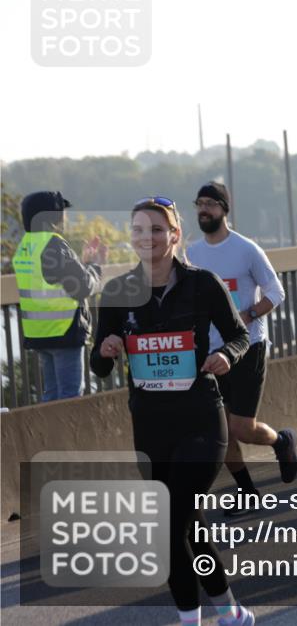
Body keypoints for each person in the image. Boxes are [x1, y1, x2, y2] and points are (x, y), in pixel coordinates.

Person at [90, 197, 254, 626]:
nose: (147, 238)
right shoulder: (117, 292)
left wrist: (228, 356)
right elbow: (99, 364)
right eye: (138, 230)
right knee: (189, 526)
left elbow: (239, 336)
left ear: (175, 235)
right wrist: (106, 349)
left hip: (201, 418)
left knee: (167, 524)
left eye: (157, 229)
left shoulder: (203, 284)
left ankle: (190, 619)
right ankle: (231, 612)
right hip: (151, 426)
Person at [185, 181, 297, 516]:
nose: (203, 209)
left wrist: (246, 315)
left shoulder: (246, 249)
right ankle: (247, 492)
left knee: (241, 428)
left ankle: (282, 442)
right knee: (219, 429)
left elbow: (275, 292)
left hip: (248, 346)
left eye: (210, 203)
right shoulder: (192, 254)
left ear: (224, 209)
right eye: (199, 203)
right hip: (210, 352)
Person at [13, 191, 104, 402]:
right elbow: (82, 287)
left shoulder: (26, 245)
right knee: (70, 398)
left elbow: (54, 278)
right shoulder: (54, 244)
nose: (64, 217)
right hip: (64, 331)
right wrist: (94, 266)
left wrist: (82, 263)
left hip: (39, 333)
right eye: (62, 212)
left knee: (52, 396)